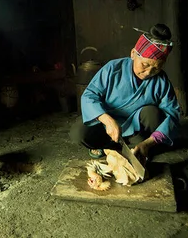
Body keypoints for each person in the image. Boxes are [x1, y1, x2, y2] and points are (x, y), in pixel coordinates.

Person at [70, 23, 181, 161]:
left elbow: (173, 115)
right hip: (106, 125)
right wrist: (108, 121)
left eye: (156, 68)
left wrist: (148, 143)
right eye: (145, 65)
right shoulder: (113, 68)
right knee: (78, 133)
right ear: (133, 54)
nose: (148, 72)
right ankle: (107, 146)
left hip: (135, 128)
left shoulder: (161, 81)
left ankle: (138, 146)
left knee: (153, 113)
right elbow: (89, 95)